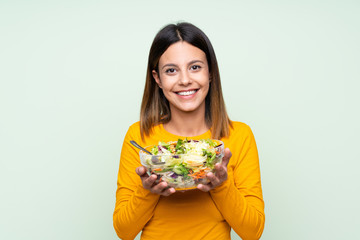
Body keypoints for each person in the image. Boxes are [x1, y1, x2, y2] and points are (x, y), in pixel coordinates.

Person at [113, 22, 265, 240]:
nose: (185, 80)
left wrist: (221, 186)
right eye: (171, 70)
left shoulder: (239, 135)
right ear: (158, 79)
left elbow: (253, 232)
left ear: (210, 72)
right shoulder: (139, 137)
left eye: (195, 67)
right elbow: (123, 231)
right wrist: (147, 190)